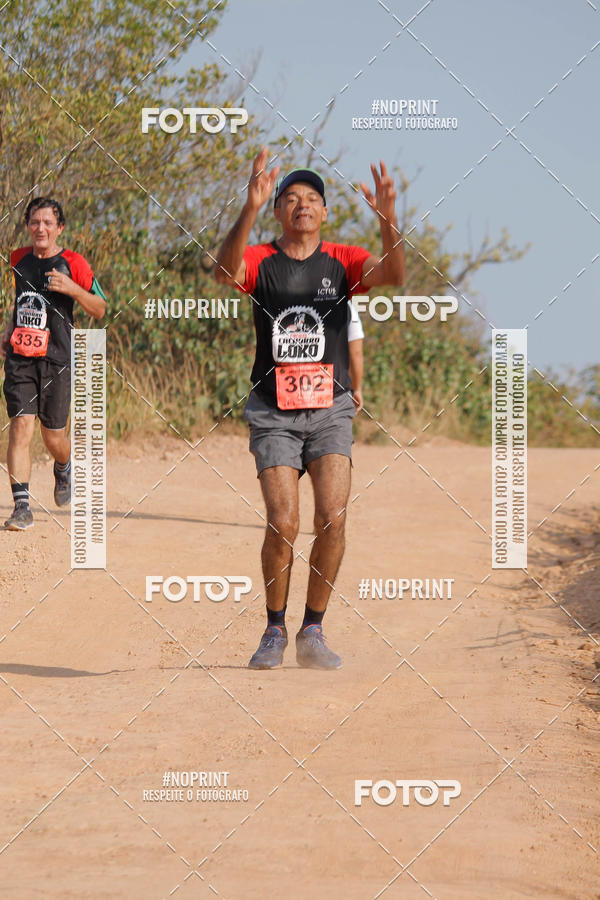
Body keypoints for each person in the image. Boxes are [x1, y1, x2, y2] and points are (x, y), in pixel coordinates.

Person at [214, 148, 404, 669]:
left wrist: (388, 219)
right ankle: (274, 630)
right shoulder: (261, 258)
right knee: (282, 522)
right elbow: (223, 273)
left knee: (333, 517)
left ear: (324, 213)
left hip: (330, 408)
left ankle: (312, 631)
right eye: (291, 198)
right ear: (278, 211)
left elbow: (391, 277)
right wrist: (247, 208)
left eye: (313, 199)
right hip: (273, 409)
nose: (303, 205)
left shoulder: (343, 260)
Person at [0, 197, 106, 531]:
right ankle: (21, 507)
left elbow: (100, 309)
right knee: (21, 426)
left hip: (57, 359)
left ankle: (64, 465)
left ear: (59, 228)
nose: (40, 229)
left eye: (47, 223)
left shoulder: (75, 263)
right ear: (28, 225)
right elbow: (21, 302)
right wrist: (7, 329)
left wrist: (73, 288)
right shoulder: (19, 259)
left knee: (53, 437)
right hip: (21, 358)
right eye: (34, 222)